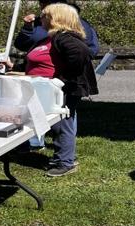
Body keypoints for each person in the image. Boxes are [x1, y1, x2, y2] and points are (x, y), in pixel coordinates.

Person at [42, 3, 98, 177]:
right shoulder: (63, 36)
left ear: (55, 18)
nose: (41, 19)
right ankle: (63, 158)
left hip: (69, 87)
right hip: (70, 85)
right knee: (63, 121)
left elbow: (81, 54)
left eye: (44, 15)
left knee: (62, 123)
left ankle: (65, 162)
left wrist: (63, 79)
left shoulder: (64, 37)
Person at [16, 0, 100, 59]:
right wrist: (27, 28)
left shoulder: (79, 26)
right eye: (41, 2)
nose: (41, 5)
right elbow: (21, 45)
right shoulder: (38, 22)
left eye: (45, 2)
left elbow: (90, 50)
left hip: (57, 78)